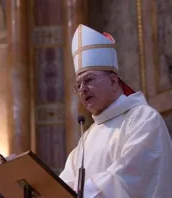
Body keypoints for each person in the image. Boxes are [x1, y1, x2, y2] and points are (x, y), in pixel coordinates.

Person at [59, 24, 172, 198]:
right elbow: (64, 184)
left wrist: (82, 193)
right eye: (78, 85)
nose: (82, 89)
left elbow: (130, 175)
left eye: (88, 79)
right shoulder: (86, 138)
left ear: (113, 81)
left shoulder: (143, 119)